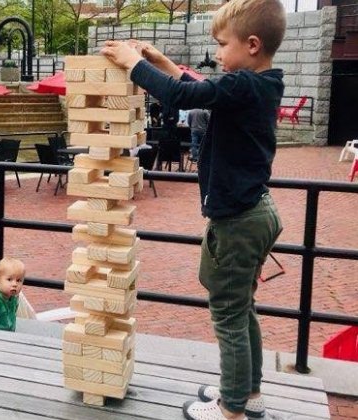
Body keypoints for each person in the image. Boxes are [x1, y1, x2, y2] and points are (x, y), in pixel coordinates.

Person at [101, 0, 286, 418]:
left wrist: (134, 64)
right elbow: (199, 89)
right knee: (242, 309)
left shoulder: (242, 85)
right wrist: (161, 61)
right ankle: (246, 392)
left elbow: (184, 94)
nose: (218, 54)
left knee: (228, 316)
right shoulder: (260, 84)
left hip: (239, 222)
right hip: (256, 212)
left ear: (252, 44)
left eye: (222, 45)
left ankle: (231, 409)